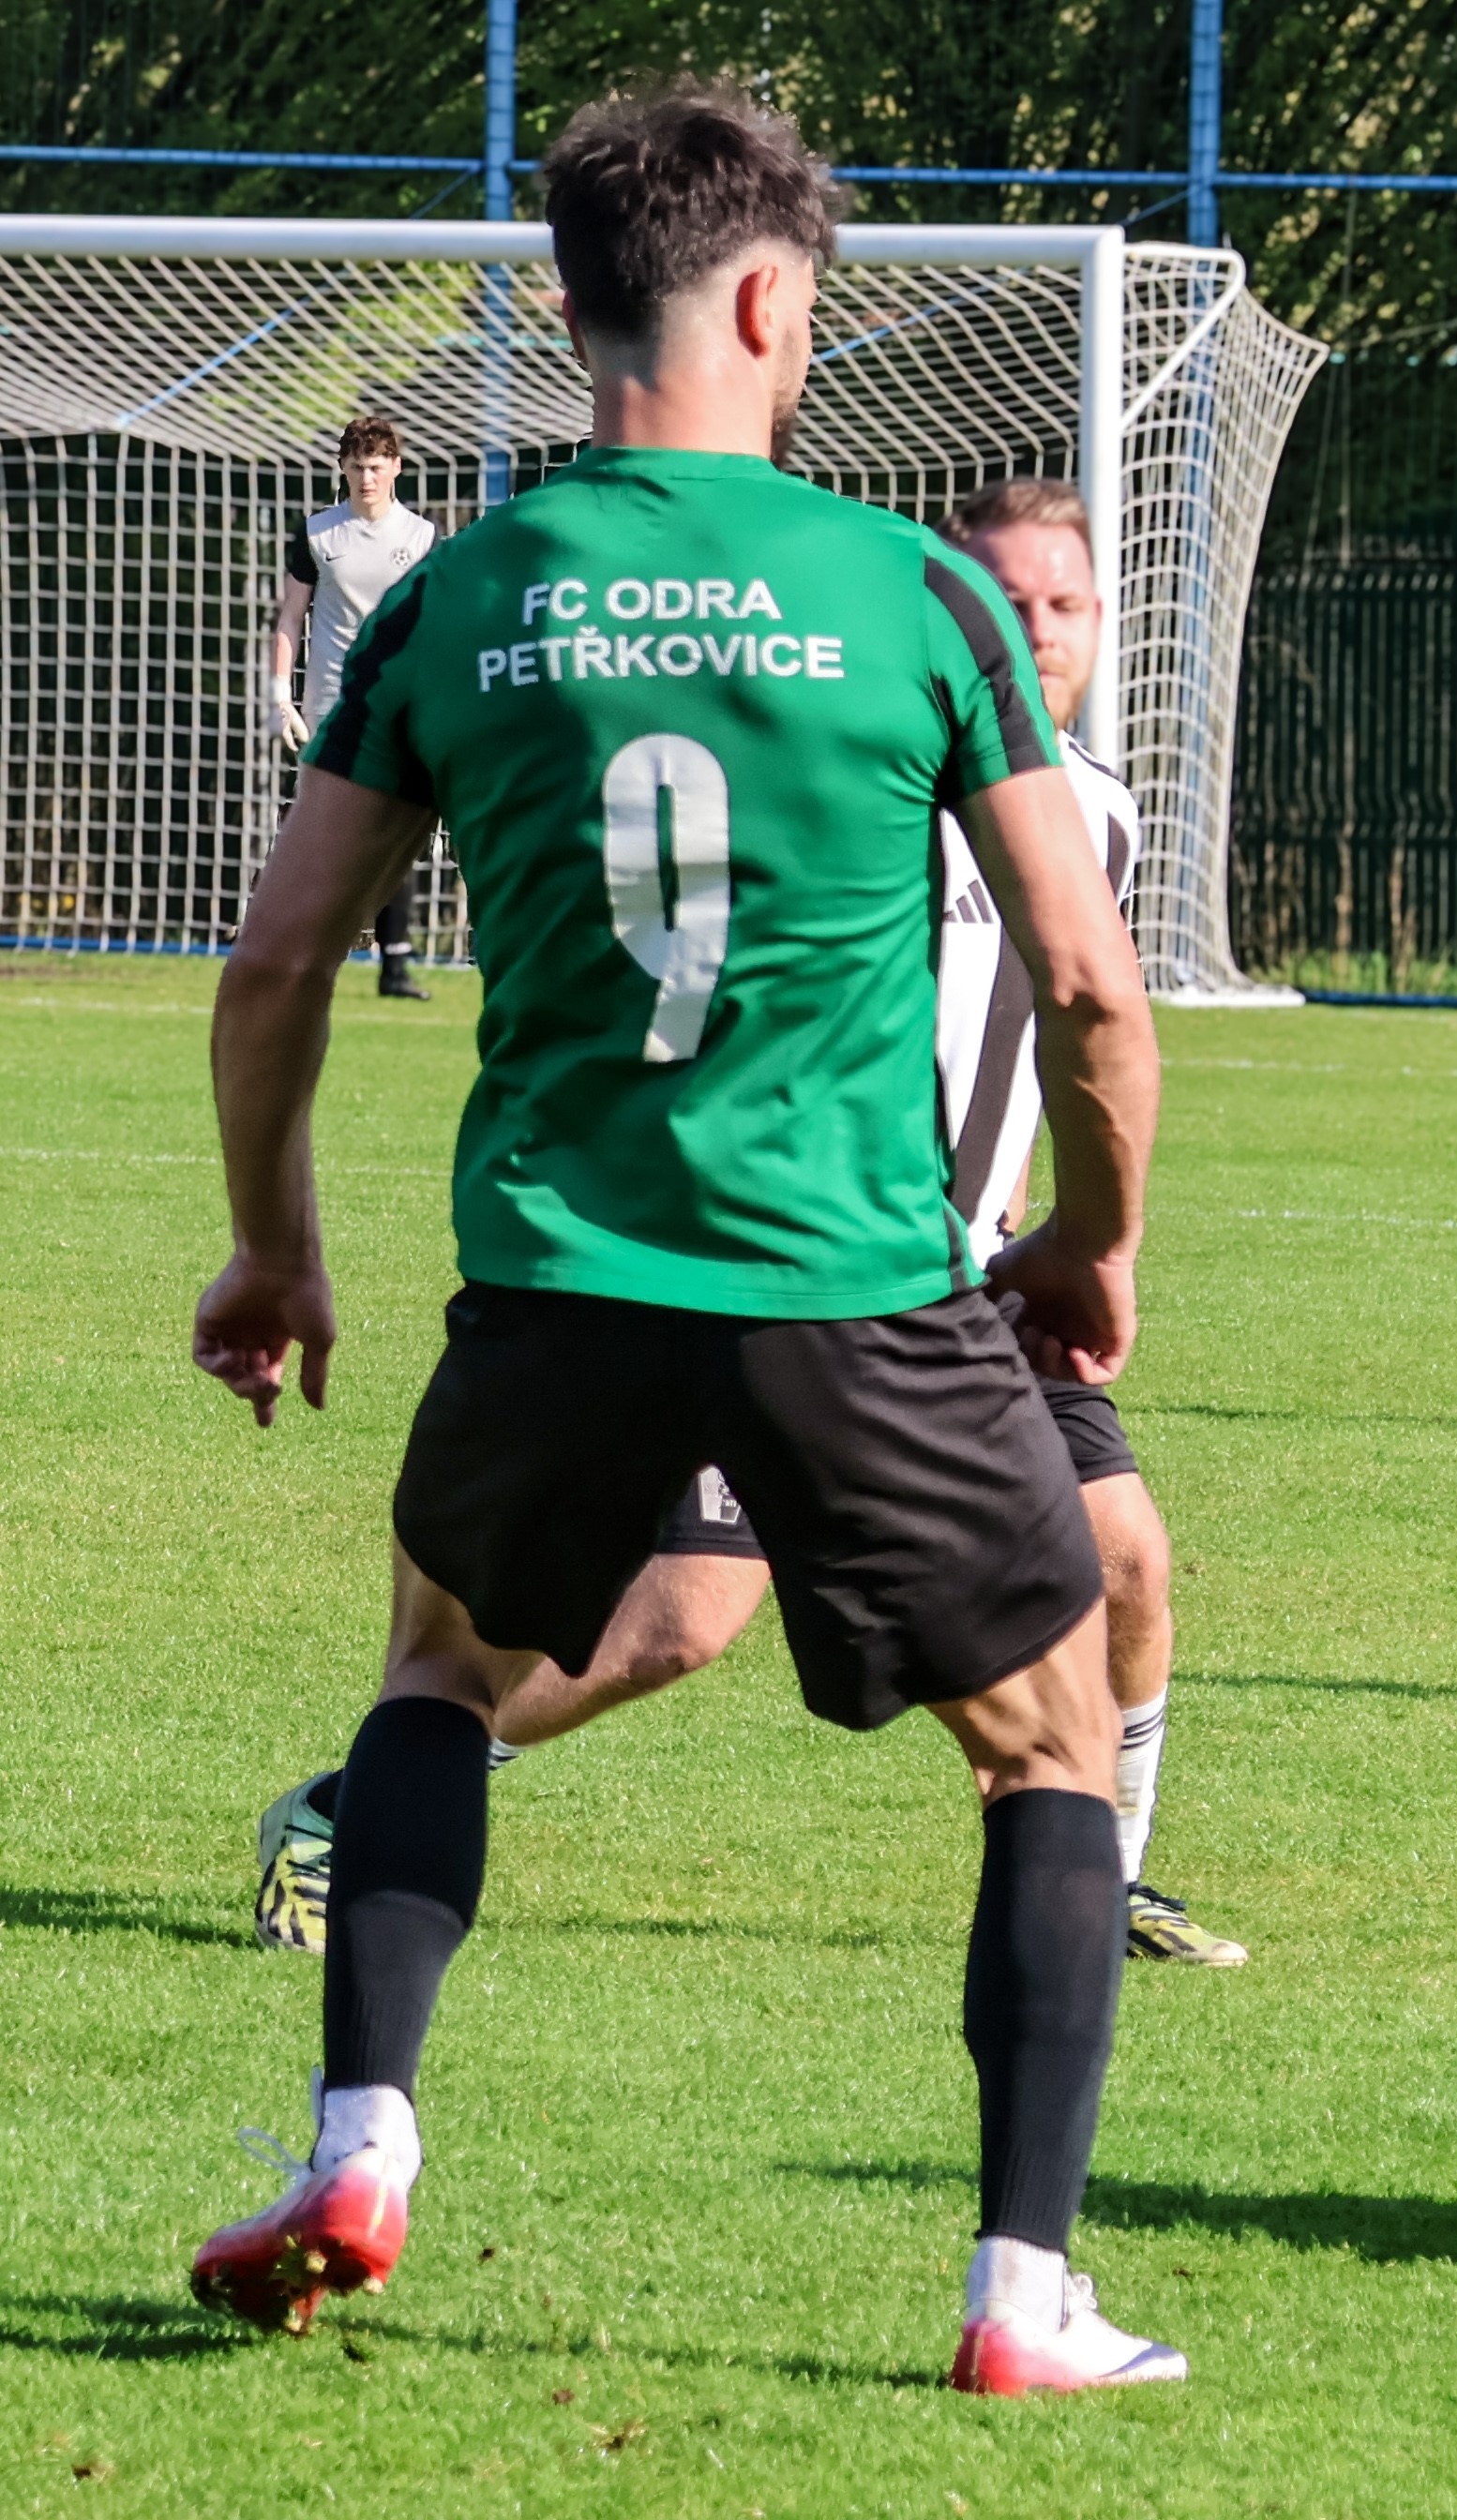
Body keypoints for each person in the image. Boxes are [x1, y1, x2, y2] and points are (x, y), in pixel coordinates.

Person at [187, 86, 1184, 2394]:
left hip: (560, 1278)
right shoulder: (911, 591)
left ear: (572, 305)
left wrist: (273, 1254)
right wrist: (1093, 1238)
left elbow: (278, 964)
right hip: (854, 1282)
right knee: (1049, 1746)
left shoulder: (459, 595)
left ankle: (361, 2147)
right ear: (764, 305)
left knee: (440, 1678)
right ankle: (1019, 2298)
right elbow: (1088, 984)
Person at [248, 473, 1242, 1973]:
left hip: (982, 1271)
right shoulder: (844, 764)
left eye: (1068, 603)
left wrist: (1044, 1215)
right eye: (1008, 597)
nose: (1039, 629)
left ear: (1107, 622)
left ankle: (1105, 1881)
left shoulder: (1094, 813)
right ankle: (352, 1810)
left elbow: (1051, 1021)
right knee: (683, 1621)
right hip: (814, 1259)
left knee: (1128, 1563)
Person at [270, 416, 441, 999]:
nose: (367, 477)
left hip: (397, 703)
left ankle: (394, 966)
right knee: (323, 830)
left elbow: (431, 624)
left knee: (395, 829)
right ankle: (306, 951)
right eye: (357, 466)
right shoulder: (318, 533)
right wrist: (280, 696)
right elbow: (290, 617)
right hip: (331, 703)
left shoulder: (423, 536)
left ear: (396, 468)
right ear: (343, 469)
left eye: (376, 466)